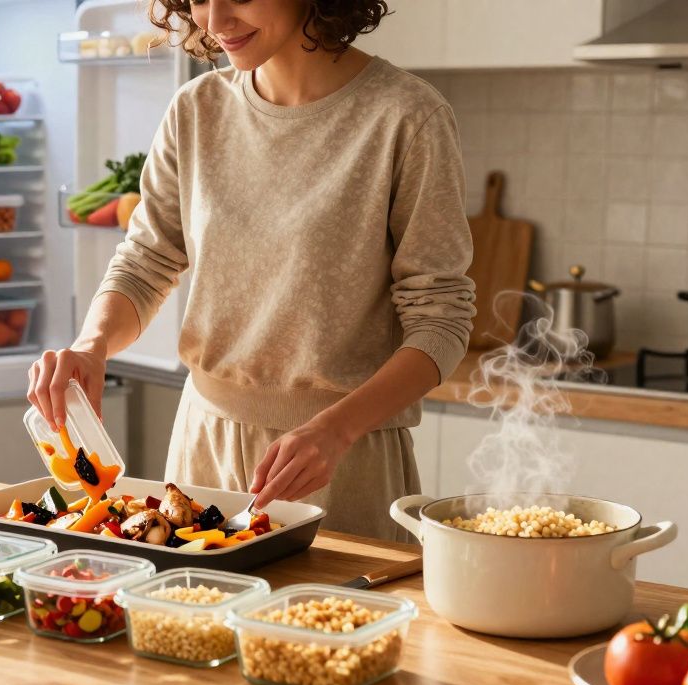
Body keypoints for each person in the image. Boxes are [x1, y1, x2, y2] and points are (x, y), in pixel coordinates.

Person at [27, 0, 475, 542]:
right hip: (201, 447)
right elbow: (146, 261)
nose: (214, 23)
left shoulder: (405, 116)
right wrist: (92, 344)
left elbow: (441, 320)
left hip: (339, 457)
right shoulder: (196, 110)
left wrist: (337, 428)